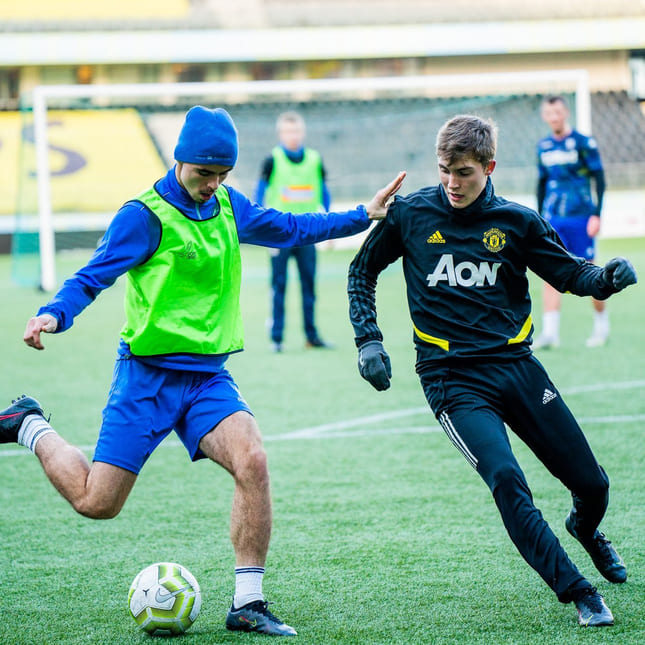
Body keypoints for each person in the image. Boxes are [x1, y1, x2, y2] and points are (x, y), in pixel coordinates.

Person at [0, 105, 405, 637]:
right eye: (203, 174)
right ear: (179, 160)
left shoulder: (229, 205)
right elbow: (91, 276)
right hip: (145, 378)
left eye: (221, 175)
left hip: (209, 379)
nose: (212, 185)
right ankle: (28, 423)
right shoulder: (142, 216)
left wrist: (362, 214)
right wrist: (55, 313)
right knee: (95, 503)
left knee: (252, 459)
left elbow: (291, 227)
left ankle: (248, 603)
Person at [347, 114, 636, 627]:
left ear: (489, 166)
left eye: (464, 172)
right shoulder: (411, 214)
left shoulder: (517, 221)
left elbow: (570, 273)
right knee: (506, 478)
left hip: (517, 367)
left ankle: (586, 530)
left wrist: (604, 280)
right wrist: (369, 339)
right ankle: (579, 592)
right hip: (451, 379)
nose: (453, 183)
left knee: (593, 486)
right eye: (444, 171)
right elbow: (361, 270)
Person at [534, 95, 608, 349]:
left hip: (581, 216)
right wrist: (540, 215)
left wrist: (597, 214)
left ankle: (601, 326)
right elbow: (541, 183)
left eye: (557, 112)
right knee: (549, 272)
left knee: (590, 270)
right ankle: (550, 333)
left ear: (565, 113)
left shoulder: (583, 143)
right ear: (545, 116)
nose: (554, 117)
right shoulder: (543, 146)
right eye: (549, 113)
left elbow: (599, 179)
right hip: (554, 218)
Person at [254, 111, 332, 352]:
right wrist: (263, 230)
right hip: (279, 234)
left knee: (309, 286)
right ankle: (277, 338)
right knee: (279, 286)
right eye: (288, 131)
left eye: (296, 130)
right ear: (280, 134)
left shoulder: (315, 159)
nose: (293, 136)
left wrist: (328, 228)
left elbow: (323, 192)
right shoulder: (272, 160)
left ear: (303, 132)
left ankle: (312, 336)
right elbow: (259, 195)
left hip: (308, 233)